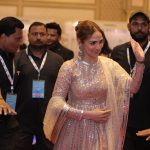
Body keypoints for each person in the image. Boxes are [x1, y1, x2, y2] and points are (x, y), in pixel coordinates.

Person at [43, 20, 145, 150]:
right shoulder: (69, 67)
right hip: (75, 128)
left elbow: (133, 88)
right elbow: (56, 102)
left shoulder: (109, 65)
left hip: (102, 130)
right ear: (80, 42)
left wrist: (140, 62)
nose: (98, 47)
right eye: (93, 43)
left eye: (101, 41)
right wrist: (86, 114)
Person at [15, 22, 64, 150]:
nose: (38, 37)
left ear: (47, 36)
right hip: (21, 119)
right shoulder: (17, 58)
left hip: (48, 119)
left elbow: (63, 90)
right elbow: (11, 88)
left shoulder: (57, 60)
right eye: (34, 34)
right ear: (28, 36)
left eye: (42, 34)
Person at [111, 11, 150, 150]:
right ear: (128, 26)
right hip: (121, 123)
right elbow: (111, 85)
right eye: (135, 24)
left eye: (143, 24)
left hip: (147, 124)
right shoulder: (118, 51)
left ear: (149, 27)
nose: (139, 28)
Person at [0, 17, 24, 150]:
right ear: (3, 36)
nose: (19, 43)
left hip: (9, 123)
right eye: (17, 38)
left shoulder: (14, 57)